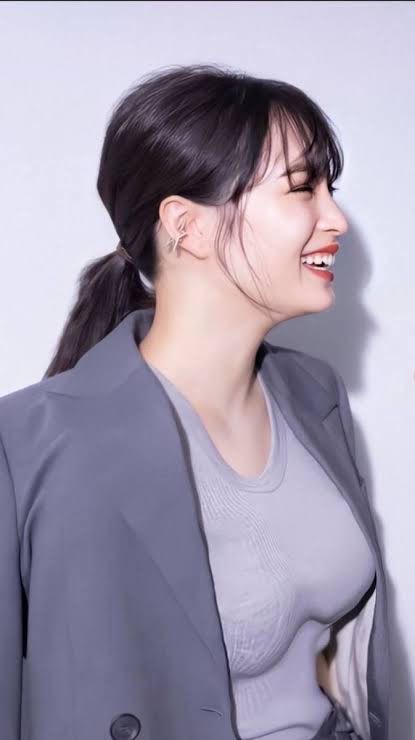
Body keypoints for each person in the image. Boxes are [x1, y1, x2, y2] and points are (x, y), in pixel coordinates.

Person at [0, 63, 390, 740]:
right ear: (188, 225)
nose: (335, 219)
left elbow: (331, 652)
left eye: (331, 190)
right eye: (302, 188)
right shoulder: (31, 444)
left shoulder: (313, 396)